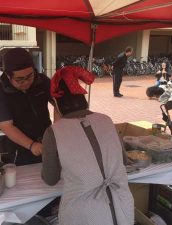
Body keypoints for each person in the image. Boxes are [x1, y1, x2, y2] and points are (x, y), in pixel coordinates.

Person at [42, 66, 134, 225]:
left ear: (56, 102)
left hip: (84, 215)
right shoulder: (106, 120)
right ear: (81, 97)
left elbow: (50, 179)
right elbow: (124, 159)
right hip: (122, 208)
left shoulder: (54, 132)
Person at [0, 48, 52, 166]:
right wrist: (31, 145)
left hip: (47, 141)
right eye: (20, 80)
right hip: (20, 148)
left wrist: (57, 129)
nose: (26, 82)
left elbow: (58, 102)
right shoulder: (0, 94)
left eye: (30, 76)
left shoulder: (42, 81)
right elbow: (7, 126)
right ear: (8, 76)